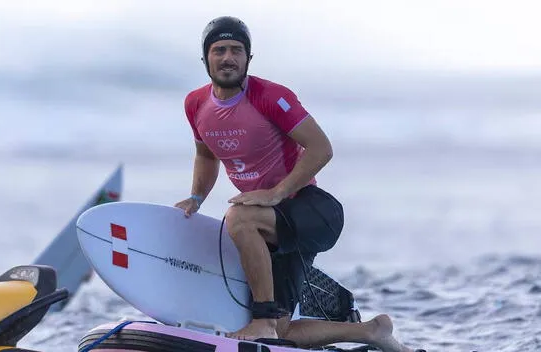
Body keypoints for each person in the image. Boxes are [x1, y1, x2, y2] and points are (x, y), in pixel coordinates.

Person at [175, 15, 416, 352]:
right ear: (206, 58)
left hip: (312, 210)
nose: (228, 57)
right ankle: (372, 332)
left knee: (239, 217)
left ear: (248, 58)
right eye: (219, 50)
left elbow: (321, 147)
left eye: (236, 50)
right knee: (282, 331)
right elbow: (205, 155)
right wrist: (196, 197)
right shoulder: (196, 104)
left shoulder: (270, 96)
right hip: (270, 226)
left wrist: (276, 194)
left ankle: (261, 317)